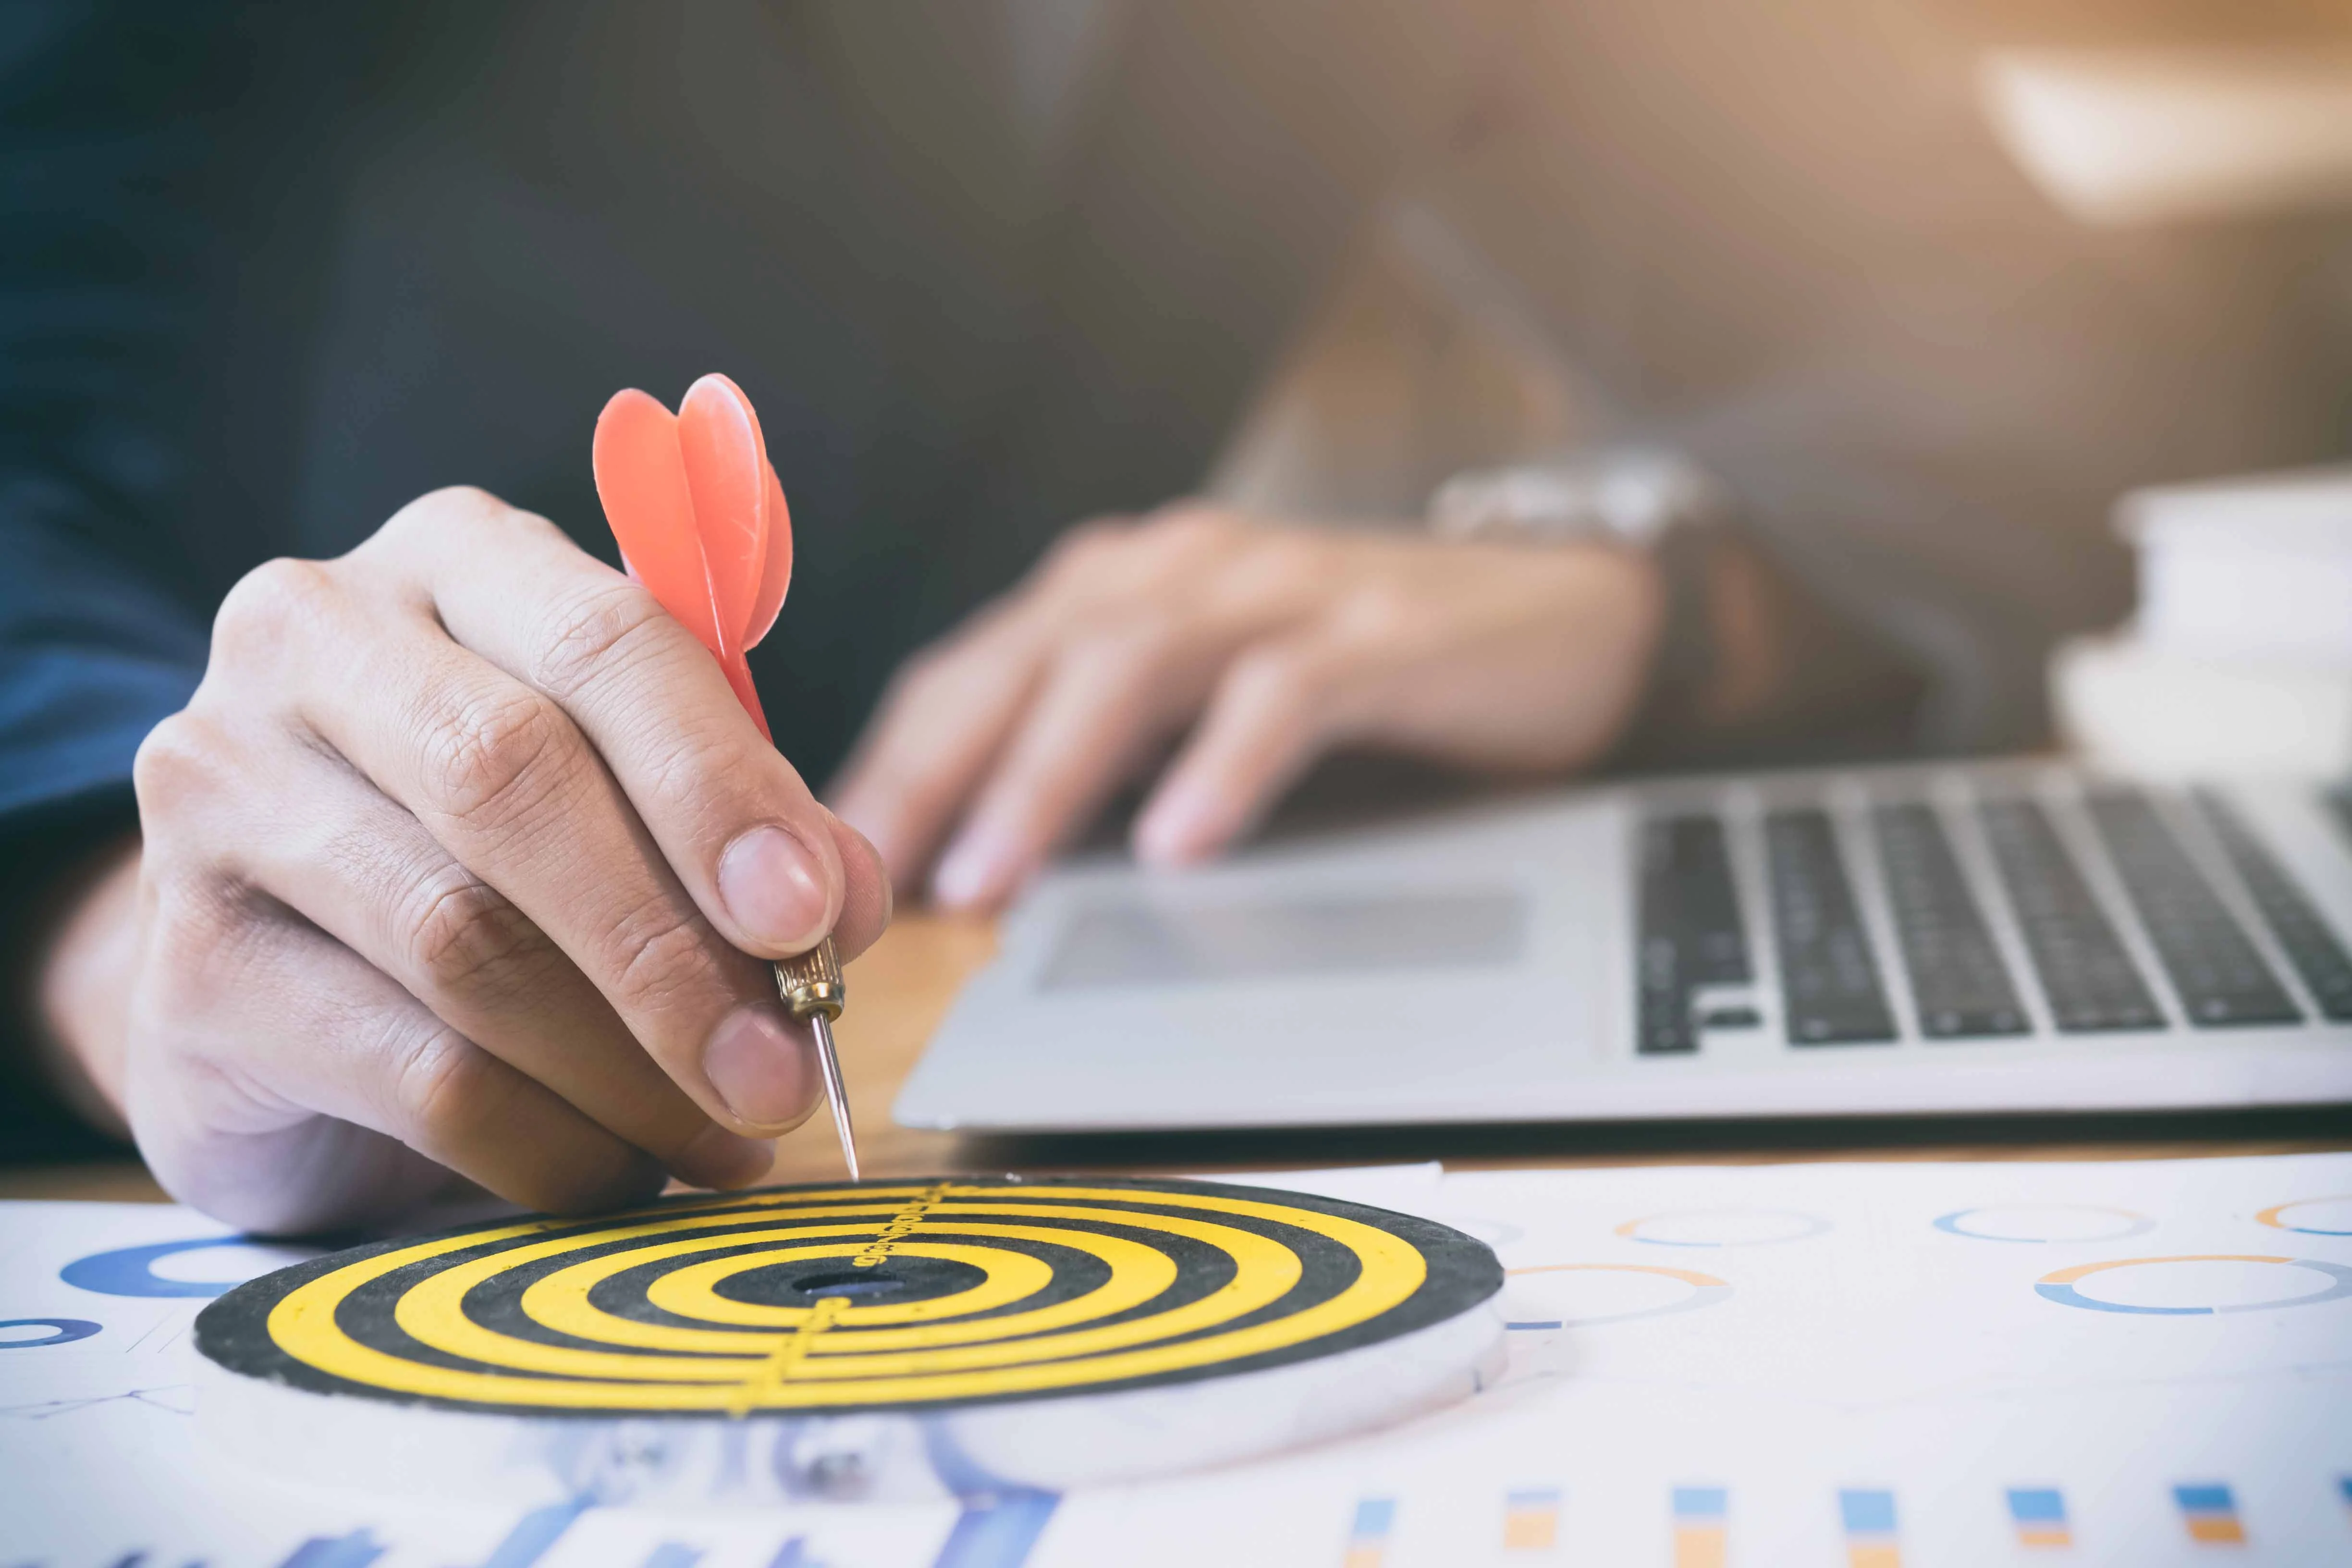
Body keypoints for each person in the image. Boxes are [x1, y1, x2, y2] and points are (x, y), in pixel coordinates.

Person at [6, 1, 2343, 1233]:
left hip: (943, 1023)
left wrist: (1635, 594)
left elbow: (2041, 354)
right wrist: (114, 920)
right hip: (237, 1079)